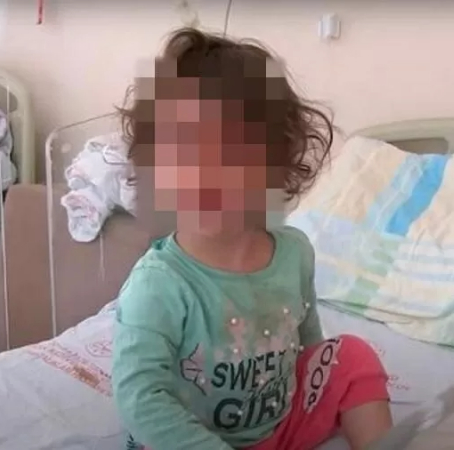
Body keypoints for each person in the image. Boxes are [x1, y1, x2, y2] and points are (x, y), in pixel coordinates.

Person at [112, 27, 392, 450]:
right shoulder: (158, 284)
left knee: (351, 356)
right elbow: (141, 399)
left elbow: (307, 344)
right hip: (194, 438)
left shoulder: (295, 252)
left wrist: (318, 392)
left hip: (280, 424)